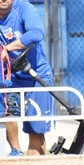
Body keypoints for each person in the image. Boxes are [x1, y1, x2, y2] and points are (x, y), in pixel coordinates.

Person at [0, 0, 55, 156]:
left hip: (36, 73)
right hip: (10, 74)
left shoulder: (24, 8)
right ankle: (15, 150)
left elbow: (37, 33)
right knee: (7, 113)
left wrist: (5, 49)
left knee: (35, 129)